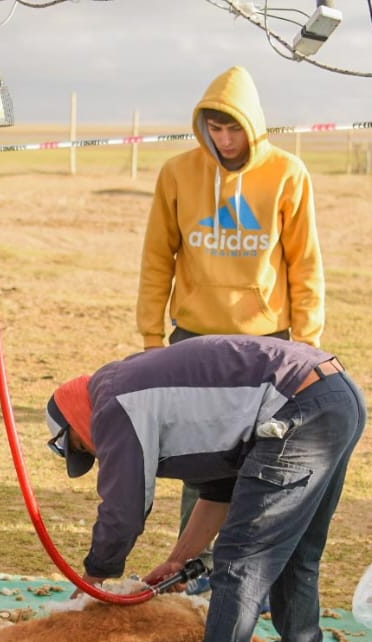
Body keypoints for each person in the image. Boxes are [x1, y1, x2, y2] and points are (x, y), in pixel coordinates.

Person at [44, 335, 366, 642]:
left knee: (241, 566)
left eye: (84, 448)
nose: (98, 455)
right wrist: (179, 560)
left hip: (298, 405)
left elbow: (123, 510)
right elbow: (221, 491)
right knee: (295, 553)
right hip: (332, 395)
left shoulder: (112, 405)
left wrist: (94, 578)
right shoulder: (155, 395)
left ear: (76, 420)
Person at [135, 65, 326, 593]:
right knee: (202, 467)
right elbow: (157, 258)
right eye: (215, 130)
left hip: (269, 345)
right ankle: (191, 581)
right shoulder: (177, 173)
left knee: (265, 466)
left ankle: (249, 584)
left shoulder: (289, 174)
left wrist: (307, 343)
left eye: (233, 129)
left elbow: (304, 262)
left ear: (253, 125)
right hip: (193, 342)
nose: (225, 140)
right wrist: (153, 339)